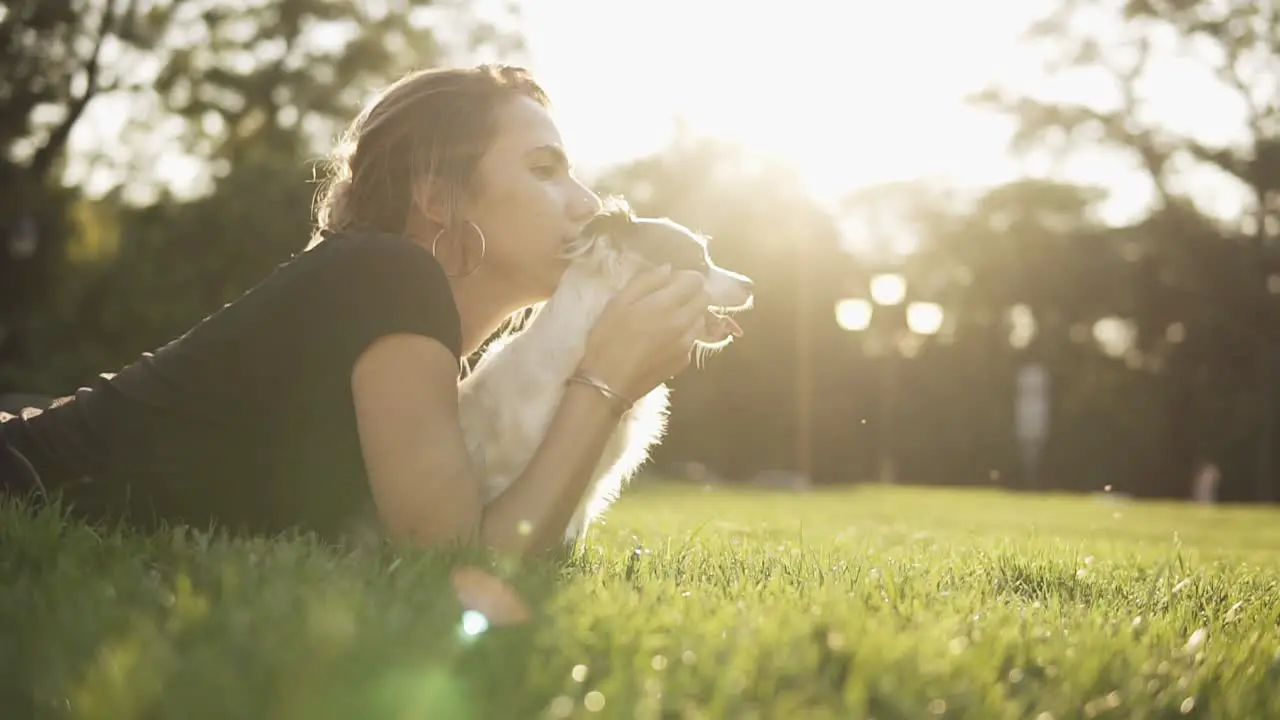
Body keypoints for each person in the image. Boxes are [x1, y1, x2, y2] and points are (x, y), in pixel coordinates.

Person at [0, 64, 712, 556]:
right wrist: (607, 382)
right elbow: (457, 560)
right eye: (544, 169)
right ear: (436, 196)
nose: (588, 204)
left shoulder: (408, 334)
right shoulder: (389, 272)